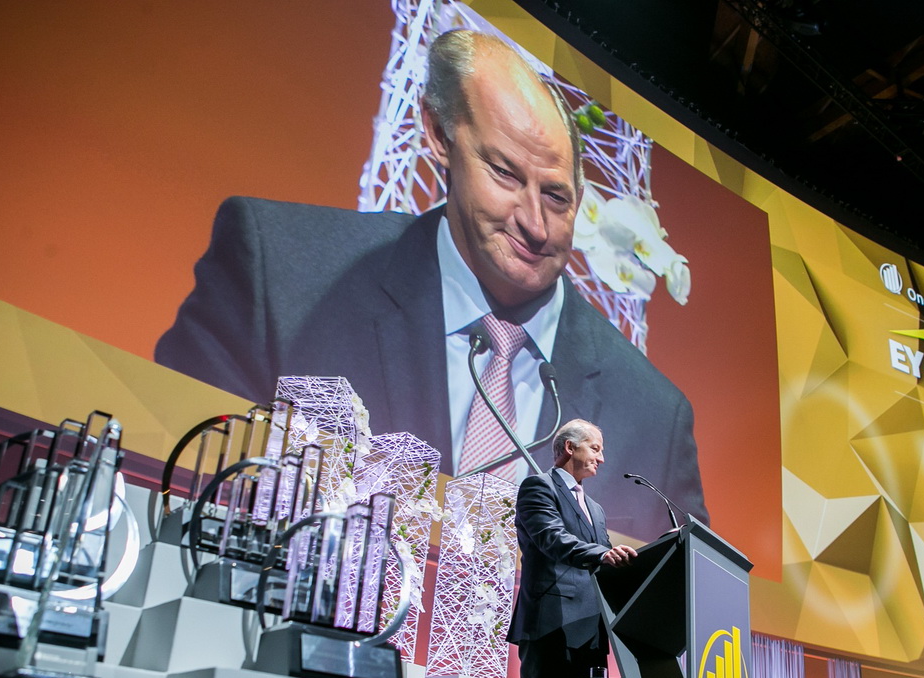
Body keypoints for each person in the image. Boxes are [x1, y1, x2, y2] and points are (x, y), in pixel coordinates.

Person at [154, 29, 707, 541]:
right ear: (440, 136)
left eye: (556, 197)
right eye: (505, 174)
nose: (535, 225)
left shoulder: (656, 418)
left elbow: (682, 607)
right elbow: (171, 483)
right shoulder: (278, 273)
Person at [508, 419, 638, 678]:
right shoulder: (538, 487)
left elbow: (608, 563)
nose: (602, 458)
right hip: (551, 626)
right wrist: (602, 555)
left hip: (591, 633)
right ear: (569, 447)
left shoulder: (595, 509)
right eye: (595, 448)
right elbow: (551, 538)